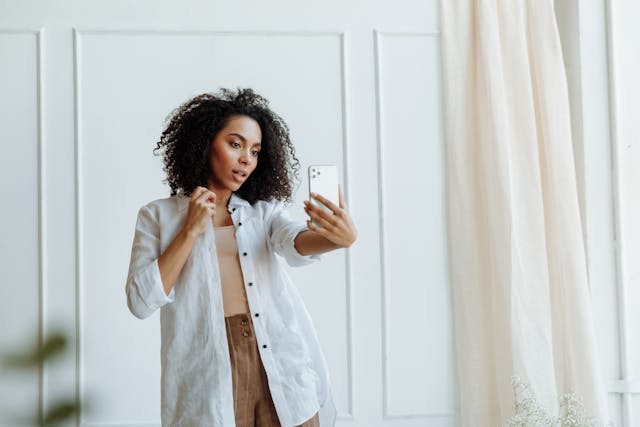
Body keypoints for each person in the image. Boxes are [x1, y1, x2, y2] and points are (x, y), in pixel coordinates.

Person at [125, 87, 357, 427]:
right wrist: (190, 231)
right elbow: (140, 301)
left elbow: (293, 240)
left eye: (255, 150)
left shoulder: (263, 213)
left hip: (277, 355)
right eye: (235, 144)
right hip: (208, 368)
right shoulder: (157, 217)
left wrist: (336, 239)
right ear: (205, 143)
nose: (247, 158)